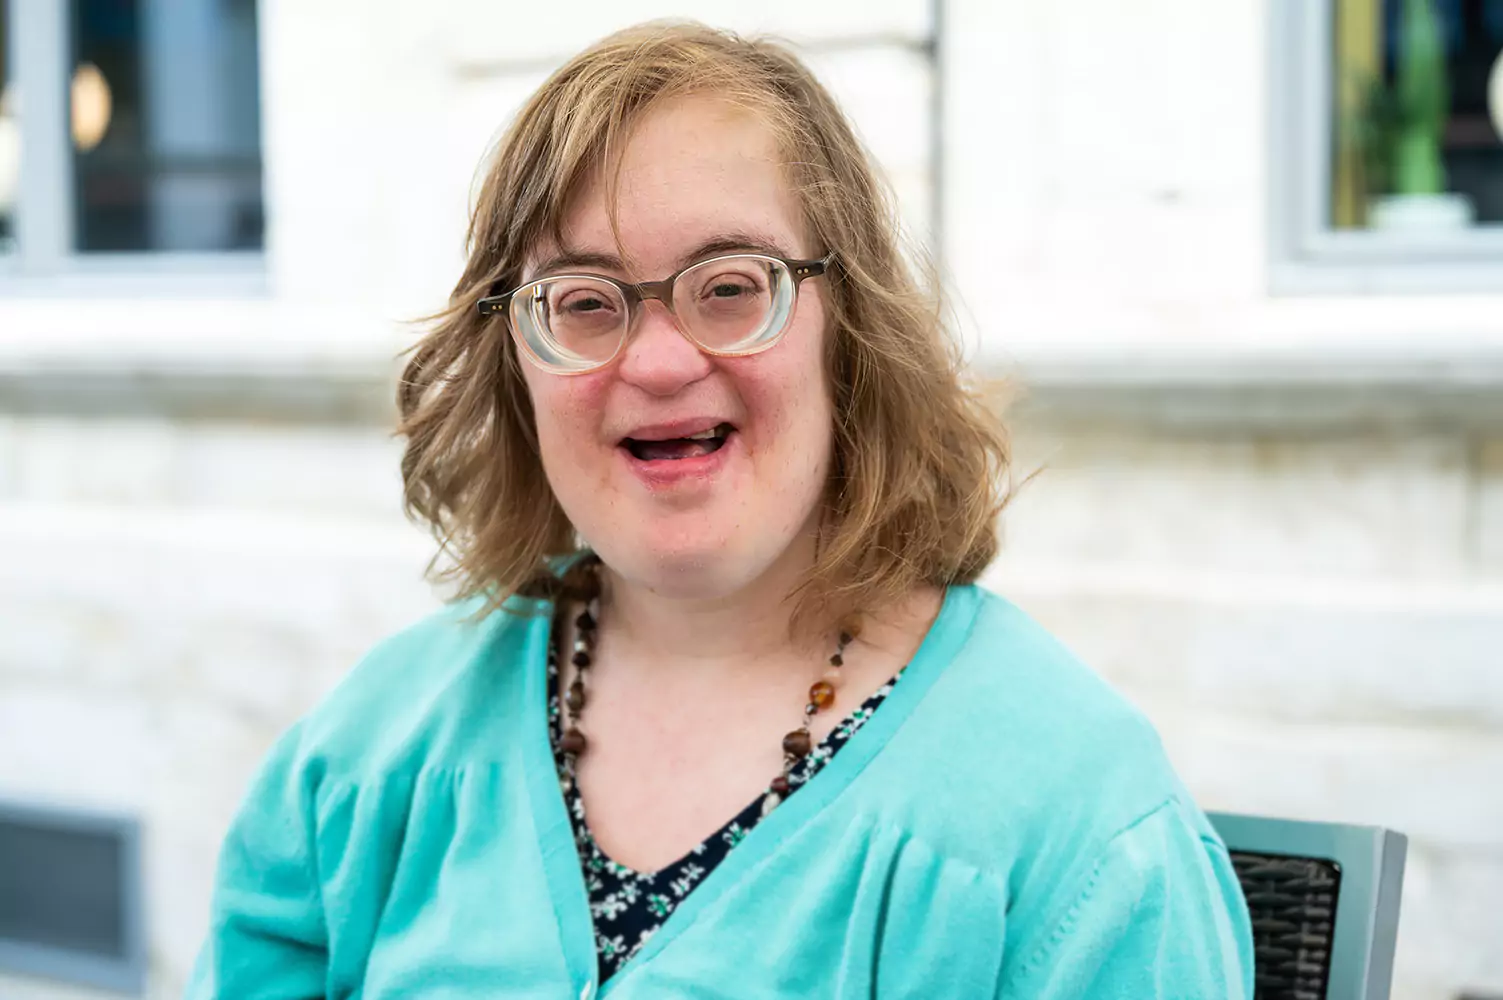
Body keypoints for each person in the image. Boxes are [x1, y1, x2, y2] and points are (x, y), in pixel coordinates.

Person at [187, 21, 1253, 999]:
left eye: (731, 284)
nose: (657, 359)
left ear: (851, 330)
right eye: (586, 302)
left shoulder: (1076, 827)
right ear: (514, 360)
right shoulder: (371, 757)